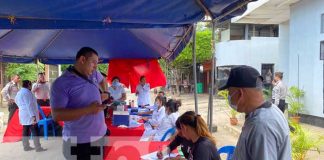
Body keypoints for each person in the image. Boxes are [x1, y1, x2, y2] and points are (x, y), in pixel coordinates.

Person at [219, 65, 291, 160]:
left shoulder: (262, 126)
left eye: (230, 92)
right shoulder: (271, 111)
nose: (229, 97)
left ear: (240, 94)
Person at [50, 47, 107, 160]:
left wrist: (105, 92)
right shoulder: (61, 83)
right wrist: (88, 109)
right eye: (93, 63)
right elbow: (57, 115)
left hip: (99, 136)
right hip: (79, 142)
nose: (96, 66)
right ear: (82, 59)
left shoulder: (93, 74)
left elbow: (103, 80)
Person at [15, 80, 47, 152]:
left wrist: (21, 107)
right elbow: (29, 105)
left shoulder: (19, 92)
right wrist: (33, 116)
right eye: (31, 85)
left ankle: (26, 146)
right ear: (29, 85)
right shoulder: (27, 92)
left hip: (23, 113)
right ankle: (38, 147)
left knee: (25, 130)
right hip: (29, 114)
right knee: (34, 130)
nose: (31, 86)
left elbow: (16, 101)